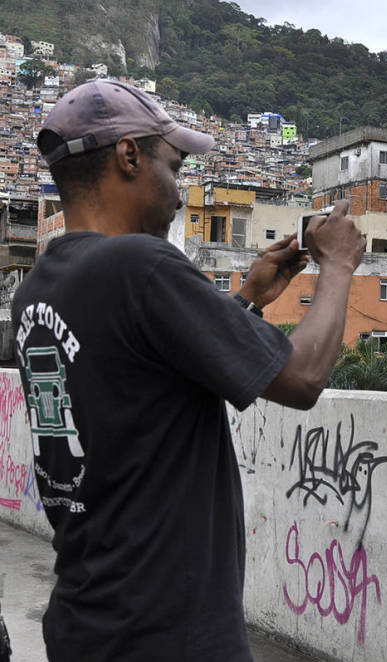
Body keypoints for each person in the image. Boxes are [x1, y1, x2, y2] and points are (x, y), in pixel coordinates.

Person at [12, 80, 365, 661]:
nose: (180, 193)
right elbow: (302, 379)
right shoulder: (141, 264)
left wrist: (247, 300)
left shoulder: (41, 288)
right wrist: (339, 265)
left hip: (86, 624)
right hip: (172, 633)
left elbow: (145, 383)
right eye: (173, 166)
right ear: (130, 156)